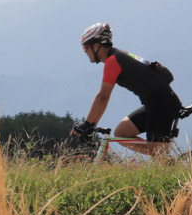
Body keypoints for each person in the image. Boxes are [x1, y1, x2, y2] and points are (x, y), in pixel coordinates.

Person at [71, 22, 183, 158]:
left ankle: (170, 164)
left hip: (161, 105)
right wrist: (90, 124)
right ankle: (166, 159)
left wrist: (88, 124)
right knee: (122, 133)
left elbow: (103, 97)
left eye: (85, 48)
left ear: (96, 45)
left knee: (158, 155)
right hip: (156, 103)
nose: (86, 53)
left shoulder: (113, 61)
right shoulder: (117, 56)